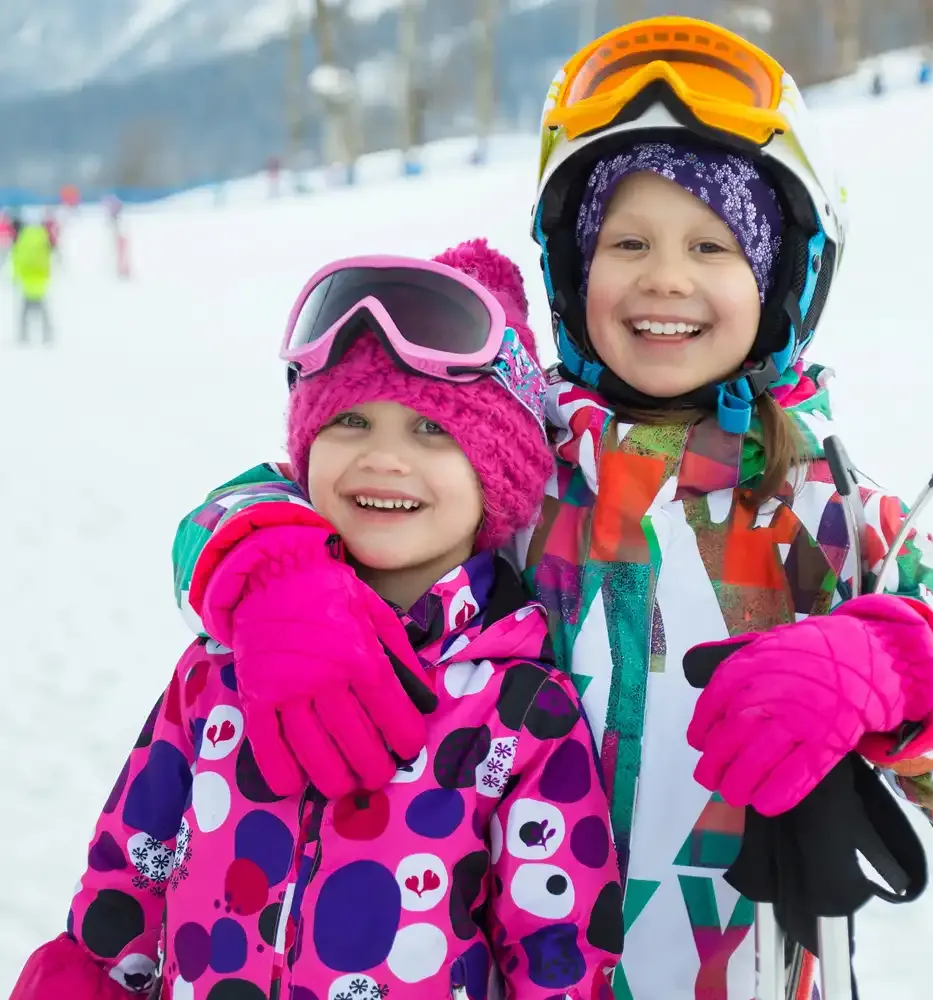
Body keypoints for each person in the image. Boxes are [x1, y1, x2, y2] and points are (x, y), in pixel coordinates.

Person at [67, 15, 933, 998]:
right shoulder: (507, 450)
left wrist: (906, 670)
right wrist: (273, 570)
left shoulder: (838, 517)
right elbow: (282, 486)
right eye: (626, 240)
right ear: (569, 266)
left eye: (713, 246)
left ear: (780, 279)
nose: (664, 277)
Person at [11, 242, 624, 1000]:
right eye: (353, 421)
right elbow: (131, 865)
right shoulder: (222, 667)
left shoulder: (522, 713)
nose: (385, 459)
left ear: (498, 476)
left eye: (433, 431)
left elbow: (561, 960)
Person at [9, 217, 53, 344]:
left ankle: (24, 335)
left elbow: (18, 258)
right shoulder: (40, 235)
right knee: (42, 307)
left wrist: (16, 275)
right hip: (40, 277)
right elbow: (46, 255)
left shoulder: (22, 239)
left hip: (27, 278)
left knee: (26, 309)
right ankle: (47, 334)